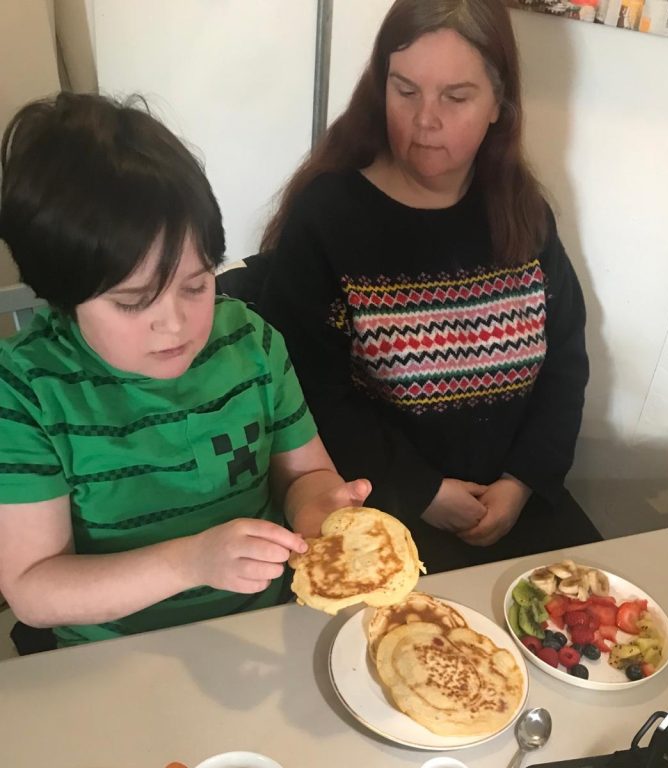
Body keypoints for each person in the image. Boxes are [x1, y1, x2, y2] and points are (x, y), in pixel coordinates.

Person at [0, 93, 370, 648]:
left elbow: (305, 475)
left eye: (196, 285)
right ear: (62, 295)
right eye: (133, 302)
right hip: (114, 655)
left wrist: (318, 507)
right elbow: (33, 588)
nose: (173, 323)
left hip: (262, 630)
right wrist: (190, 562)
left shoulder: (250, 340)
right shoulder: (28, 389)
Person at [258, 0, 600, 574]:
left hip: (515, 506)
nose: (424, 120)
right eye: (405, 90)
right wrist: (422, 491)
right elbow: (302, 390)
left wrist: (521, 482)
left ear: (499, 104)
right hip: (377, 514)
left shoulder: (523, 212)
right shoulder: (329, 217)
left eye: (456, 97)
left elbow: (565, 360)